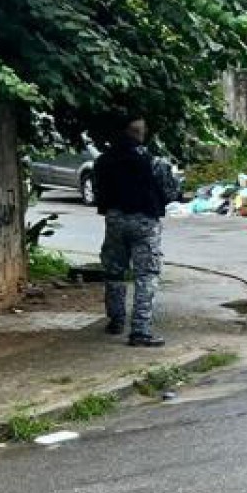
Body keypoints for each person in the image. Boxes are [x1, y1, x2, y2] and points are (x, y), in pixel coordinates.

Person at [93, 116, 177, 348]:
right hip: (145, 220)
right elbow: (170, 192)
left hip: (115, 219)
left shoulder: (103, 161)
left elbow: (99, 194)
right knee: (146, 275)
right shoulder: (152, 162)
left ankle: (116, 319)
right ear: (139, 133)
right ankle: (140, 329)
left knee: (114, 271)